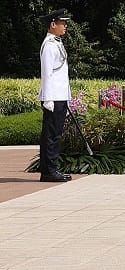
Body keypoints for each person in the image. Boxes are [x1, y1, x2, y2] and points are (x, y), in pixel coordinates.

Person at [38, 9, 73, 182]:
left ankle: (49, 168)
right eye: (62, 23)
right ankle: (49, 170)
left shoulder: (56, 43)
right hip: (53, 98)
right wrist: (48, 98)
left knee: (54, 134)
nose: (65, 26)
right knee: (52, 135)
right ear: (53, 24)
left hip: (60, 96)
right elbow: (47, 74)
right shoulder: (49, 45)